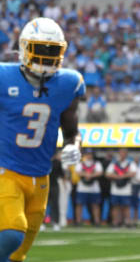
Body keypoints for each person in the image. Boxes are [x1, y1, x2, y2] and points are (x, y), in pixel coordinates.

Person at [0, 17, 83, 262]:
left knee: (17, 253)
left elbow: (71, 131)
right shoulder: (4, 77)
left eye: (53, 51)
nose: (47, 57)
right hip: (6, 170)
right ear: (25, 48)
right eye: (41, 49)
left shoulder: (68, 84)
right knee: (11, 235)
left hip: (40, 176)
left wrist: (73, 146)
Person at [106, 149, 137, 227]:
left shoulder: (130, 163)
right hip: (115, 189)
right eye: (121, 153)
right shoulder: (114, 163)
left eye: (124, 153)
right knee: (115, 206)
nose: (122, 154)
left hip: (126, 189)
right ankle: (115, 222)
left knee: (126, 206)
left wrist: (122, 176)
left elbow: (133, 173)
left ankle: (127, 222)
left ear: (126, 154)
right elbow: (107, 174)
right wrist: (117, 176)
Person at [75, 150, 103, 226]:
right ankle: (78, 221)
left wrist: (90, 175)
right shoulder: (81, 163)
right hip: (82, 187)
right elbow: (77, 171)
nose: (89, 156)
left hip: (94, 188)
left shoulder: (96, 163)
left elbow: (100, 172)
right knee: (79, 204)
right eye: (87, 154)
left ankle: (97, 221)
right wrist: (87, 174)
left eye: (90, 154)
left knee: (95, 205)